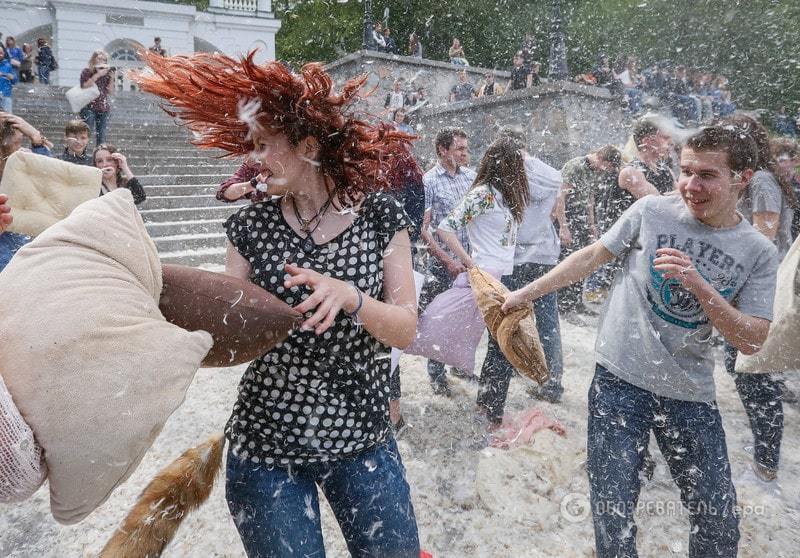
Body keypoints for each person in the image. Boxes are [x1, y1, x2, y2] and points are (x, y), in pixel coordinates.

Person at [136, 51, 420, 557]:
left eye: (264, 145)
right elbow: (225, 320)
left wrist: (351, 297)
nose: (255, 159)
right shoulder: (249, 225)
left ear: (309, 146)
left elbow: (404, 329)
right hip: (266, 446)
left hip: (364, 436)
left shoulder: (380, 214)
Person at [504, 125, 777, 558]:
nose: (691, 185)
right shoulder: (652, 211)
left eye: (707, 174)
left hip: (690, 393)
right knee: (612, 510)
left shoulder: (758, 251)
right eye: (686, 171)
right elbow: (591, 256)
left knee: (718, 520)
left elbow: (753, 339)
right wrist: (522, 294)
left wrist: (701, 287)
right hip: (619, 380)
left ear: (742, 177)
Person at [720, 116, 796, 489]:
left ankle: (766, 465)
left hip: (761, 289)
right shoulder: (757, 177)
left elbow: (764, 236)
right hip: (750, 287)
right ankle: (765, 455)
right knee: (746, 368)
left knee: (753, 372)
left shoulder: (763, 181)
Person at [435, 136, 530, 429]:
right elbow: (444, 228)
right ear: (508, 165)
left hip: (507, 276)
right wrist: (469, 261)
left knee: (502, 346)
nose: (523, 170)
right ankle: (490, 413)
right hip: (487, 278)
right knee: (502, 347)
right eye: (519, 164)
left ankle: (487, 408)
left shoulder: (506, 194)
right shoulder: (484, 194)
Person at [487, 127, 566, 404]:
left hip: (516, 256)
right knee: (548, 321)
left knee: (509, 318)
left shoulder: (509, 173)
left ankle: (507, 374)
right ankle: (553, 381)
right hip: (545, 255)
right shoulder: (552, 173)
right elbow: (556, 209)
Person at [421, 127, 476, 395]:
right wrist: (445, 260)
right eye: (459, 149)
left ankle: (458, 364)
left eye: (466, 148)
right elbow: (423, 228)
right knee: (440, 319)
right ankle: (437, 373)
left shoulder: (472, 178)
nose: (465, 154)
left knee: (466, 318)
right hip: (445, 265)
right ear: (443, 150)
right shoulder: (429, 181)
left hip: (470, 262)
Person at [556, 146, 623, 314]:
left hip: (582, 219)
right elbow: (560, 197)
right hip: (568, 215)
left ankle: (577, 302)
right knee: (567, 260)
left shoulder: (597, 170)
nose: (607, 170)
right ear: (600, 157)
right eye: (608, 166)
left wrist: (592, 224)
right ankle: (564, 304)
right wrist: (564, 227)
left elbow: (590, 198)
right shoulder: (575, 166)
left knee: (583, 260)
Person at [0, 112, 52, 271]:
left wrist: (36, 137)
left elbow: (50, 180)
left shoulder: (21, 164)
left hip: (22, 249)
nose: (21, 147)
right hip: (7, 255)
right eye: (17, 142)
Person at [618, 119, 675, 196]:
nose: (671, 142)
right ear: (647, 141)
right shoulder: (630, 172)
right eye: (665, 138)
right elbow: (658, 204)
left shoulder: (666, 170)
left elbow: (683, 199)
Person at [80, 51, 115, 146]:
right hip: (88, 106)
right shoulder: (87, 71)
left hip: (103, 107)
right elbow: (84, 86)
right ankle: (81, 156)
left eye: (104, 59)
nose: (102, 61)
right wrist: (97, 75)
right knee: (85, 134)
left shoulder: (107, 74)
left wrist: (111, 78)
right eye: (99, 58)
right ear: (93, 59)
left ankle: (99, 157)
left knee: (102, 136)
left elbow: (110, 91)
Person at [0, 49, 17, 113]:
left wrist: (10, 76)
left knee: (8, 117)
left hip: (6, 94)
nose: (0, 55)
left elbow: (14, 79)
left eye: (1, 53)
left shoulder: (8, 65)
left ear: (4, 53)